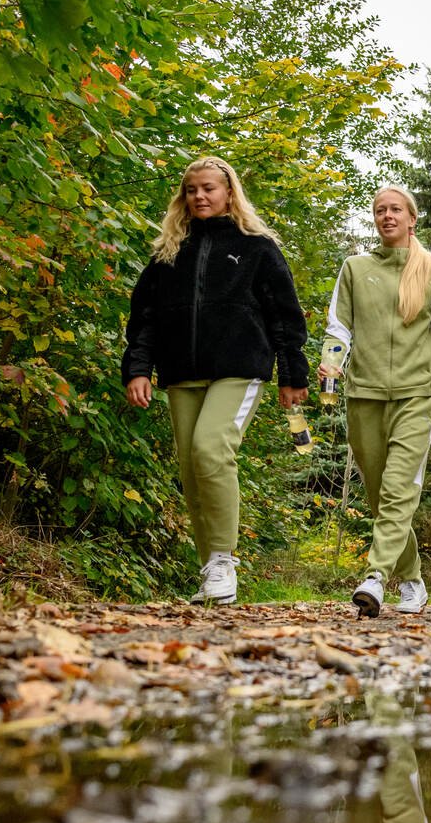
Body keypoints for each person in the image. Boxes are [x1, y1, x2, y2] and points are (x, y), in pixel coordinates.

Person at [122, 156, 308, 607]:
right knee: (191, 469)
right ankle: (211, 572)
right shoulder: (168, 251)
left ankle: (224, 560)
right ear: (183, 197)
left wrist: (293, 373)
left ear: (229, 193)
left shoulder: (257, 247)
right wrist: (138, 368)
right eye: (192, 190)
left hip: (240, 368)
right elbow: (144, 318)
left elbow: (285, 314)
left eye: (209, 188)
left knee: (211, 449)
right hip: (182, 372)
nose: (200, 196)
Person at [321, 185, 431, 618]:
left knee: (400, 489)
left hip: (416, 395)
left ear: (411, 218)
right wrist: (330, 364)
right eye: (380, 210)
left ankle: (376, 577)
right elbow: (339, 328)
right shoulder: (354, 268)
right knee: (380, 496)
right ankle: (415, 580)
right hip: (363, 394)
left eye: (395, 210)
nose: (387, 216)